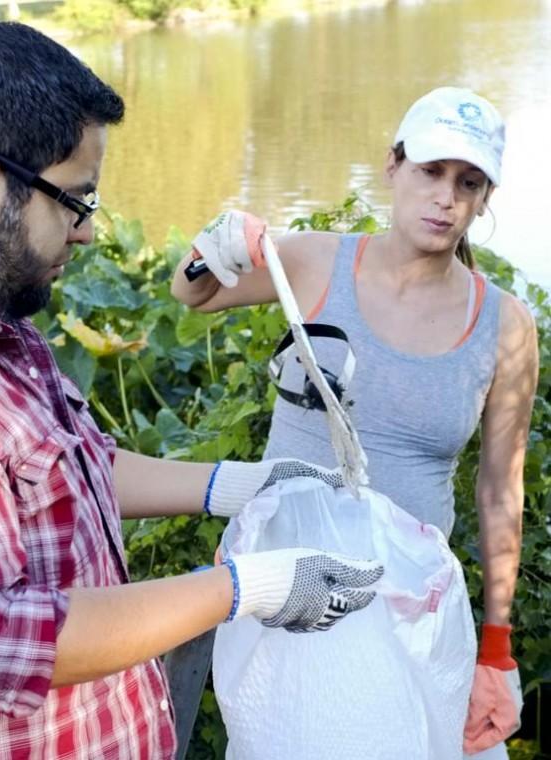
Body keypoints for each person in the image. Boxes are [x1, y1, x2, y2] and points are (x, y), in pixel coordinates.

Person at [0, 22, 385, 760]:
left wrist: (238, 485)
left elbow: (77, 469)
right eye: (76, 200)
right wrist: (244, 588)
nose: (87, 234)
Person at [172, 87, 539, 757]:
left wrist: (496, 650)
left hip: (409, 615)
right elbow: (192, 294)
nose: (446, 197)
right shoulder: (316, 262)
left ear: (484, 198)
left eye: (469, 182)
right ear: (392, 166)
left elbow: (498, 493)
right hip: (285, 597)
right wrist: (213, 244)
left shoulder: (505, 325)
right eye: (430, 171)